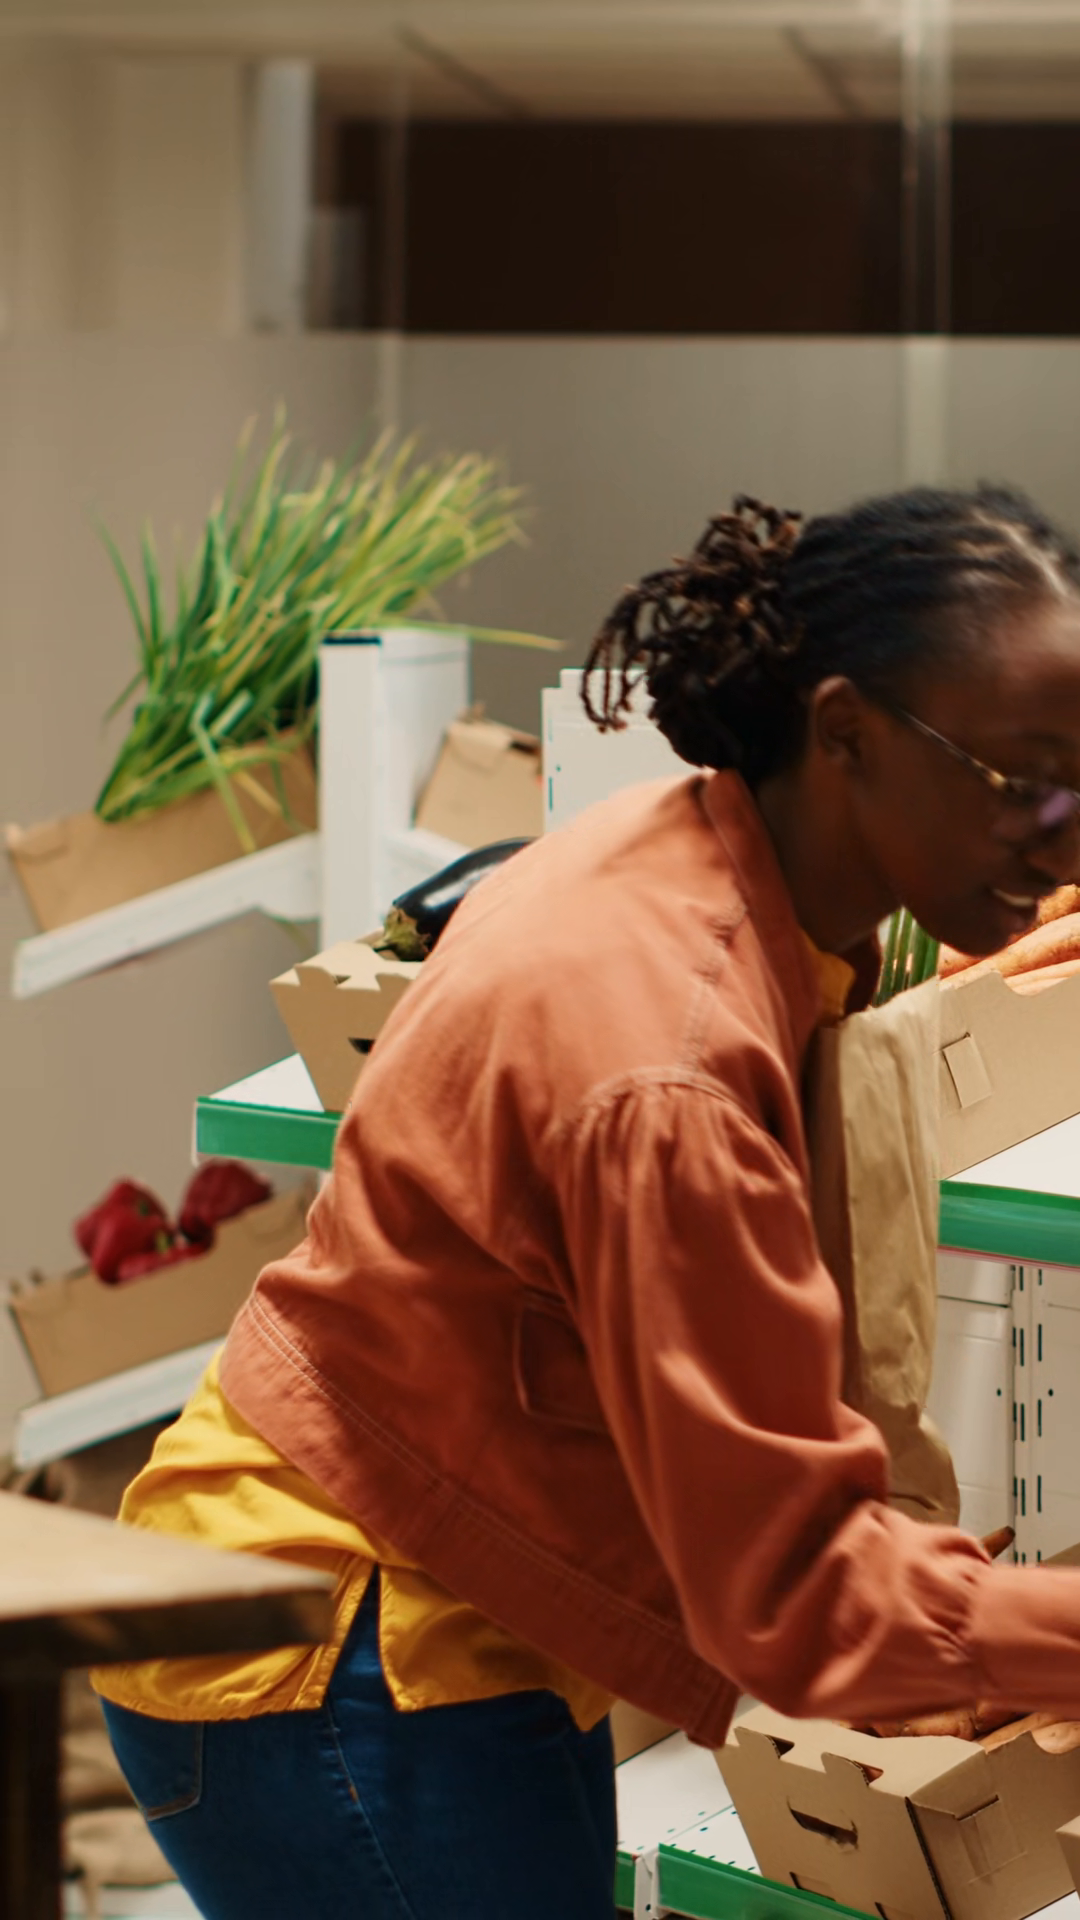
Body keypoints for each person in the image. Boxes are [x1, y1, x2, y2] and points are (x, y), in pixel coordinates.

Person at [97, 484, 1080, 1920]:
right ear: (847, 730)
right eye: (1024, 782)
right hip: (349, 1657)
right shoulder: (665, 1066)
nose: (1061, 842)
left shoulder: (702, 858)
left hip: (431, 1601)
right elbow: (794, 1596)